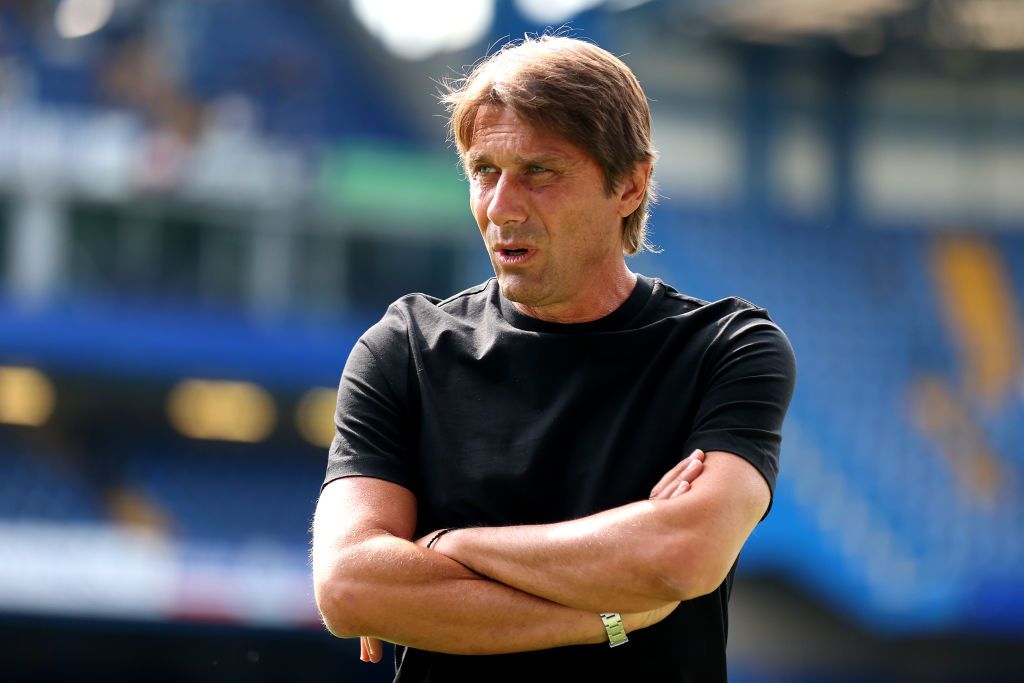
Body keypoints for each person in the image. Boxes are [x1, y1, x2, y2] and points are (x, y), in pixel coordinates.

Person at [311, 34, 796, 682]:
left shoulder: (725, 349)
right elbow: (348, 588)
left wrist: (445, 547)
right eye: (484, 171)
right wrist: (611, 613)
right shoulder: (405, 349)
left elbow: (682, 556)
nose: (502, 208)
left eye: (540, 172)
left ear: (629, 184)